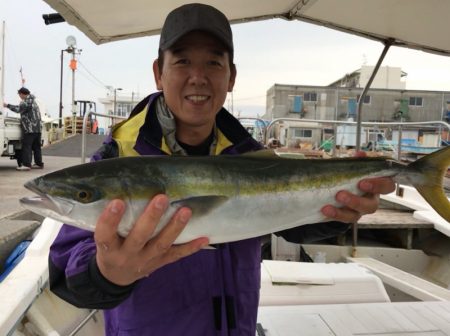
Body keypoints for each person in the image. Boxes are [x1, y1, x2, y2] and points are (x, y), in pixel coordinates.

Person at [48, 4, 395, 335]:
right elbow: (66, 266)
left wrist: (340, 210)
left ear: (231, 77)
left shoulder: (252, 158)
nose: (198, 77)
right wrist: (107, 273)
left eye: (214, 63)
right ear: (158, 72)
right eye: (182, 61)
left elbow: (290, 223)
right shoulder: (117, 160)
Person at [3, 87, 44, 171]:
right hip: (37, 129)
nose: (19, 96)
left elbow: (18, 109)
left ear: (22, 94)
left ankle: (26, 165)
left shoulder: (26, 102)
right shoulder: (33, 101)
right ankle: (39, 164)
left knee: (26, 146)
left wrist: (7, 105)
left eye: (19, 95)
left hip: (29, 129)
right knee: (36, 147)